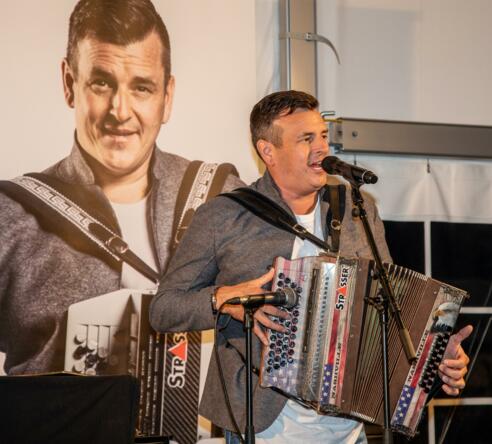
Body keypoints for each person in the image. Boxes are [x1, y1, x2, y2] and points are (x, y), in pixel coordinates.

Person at [150, 90, 472, 443]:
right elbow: (164, 309)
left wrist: (433, 353)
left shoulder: (356, 209)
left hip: (349, 428)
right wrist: (224, 298)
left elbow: (390, 304)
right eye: (306, 139)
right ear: (268, 151)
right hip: (263, 425)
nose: (321, 148)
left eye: (322, 136)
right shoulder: (223, 215)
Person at [0, 0, 241, 376]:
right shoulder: (11, 216)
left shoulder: (224, 198)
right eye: (101, 83)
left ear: (167, 97)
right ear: (69, 84)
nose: (120, 111)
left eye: (142, 87)